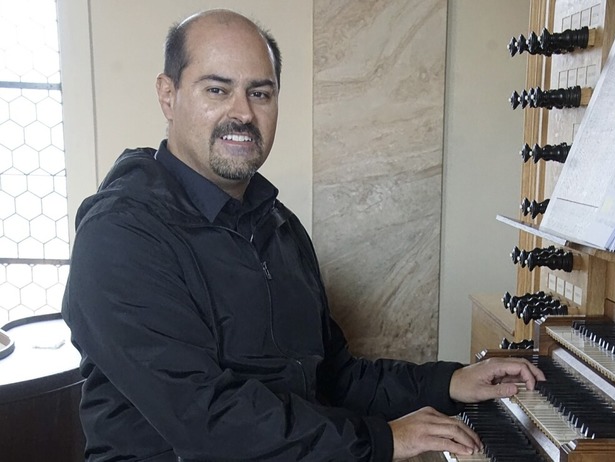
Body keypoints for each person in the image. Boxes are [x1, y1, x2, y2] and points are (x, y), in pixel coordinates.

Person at [62, 9, 544, 462]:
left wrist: (451, 382)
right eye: (216, 90)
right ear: (168, 95)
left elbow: (334, 377)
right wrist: (381, 439)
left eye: (261, 92)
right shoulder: (121, 234)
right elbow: (207, 420)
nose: (243, 113)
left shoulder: (278, 225)